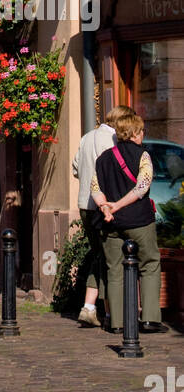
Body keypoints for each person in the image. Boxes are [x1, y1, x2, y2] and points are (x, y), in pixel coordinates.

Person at [92, 107, 168, 334]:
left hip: (111, 223)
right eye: (141, 131)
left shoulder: (104, 158)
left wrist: (106, 208)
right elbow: (142, 187)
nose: (143, 134)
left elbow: (95, 188)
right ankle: (150, 319)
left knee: (114, 270)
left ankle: (117, 322)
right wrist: (118, 205)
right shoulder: (142, 155)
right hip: (139, 221)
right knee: (150, 264)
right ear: (134, 133)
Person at [71, 105, 128, 327]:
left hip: (85, 204)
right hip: (106, 205)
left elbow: (75, 168)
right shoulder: (114, 140)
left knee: (100, 256)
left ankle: (91, 306)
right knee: (112, 258)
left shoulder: (87, 137)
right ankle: (110, 311)